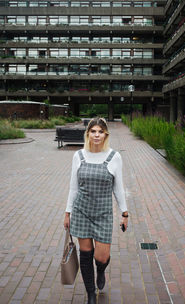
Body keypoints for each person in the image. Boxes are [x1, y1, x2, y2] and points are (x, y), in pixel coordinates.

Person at [64, 117, 128, 304]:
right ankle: (91, 293)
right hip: (82, 211)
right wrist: (68, 212)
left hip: (103, 214)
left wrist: (125, 214)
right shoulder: (79, 156)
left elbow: (118, 188)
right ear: (88, 134)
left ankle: (100, 270)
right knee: (85, 255)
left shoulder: (114, 156)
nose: (97, 135)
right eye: (93, 131)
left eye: (100, 131)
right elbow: (73, 188)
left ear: (105, 134)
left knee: (101, 257)